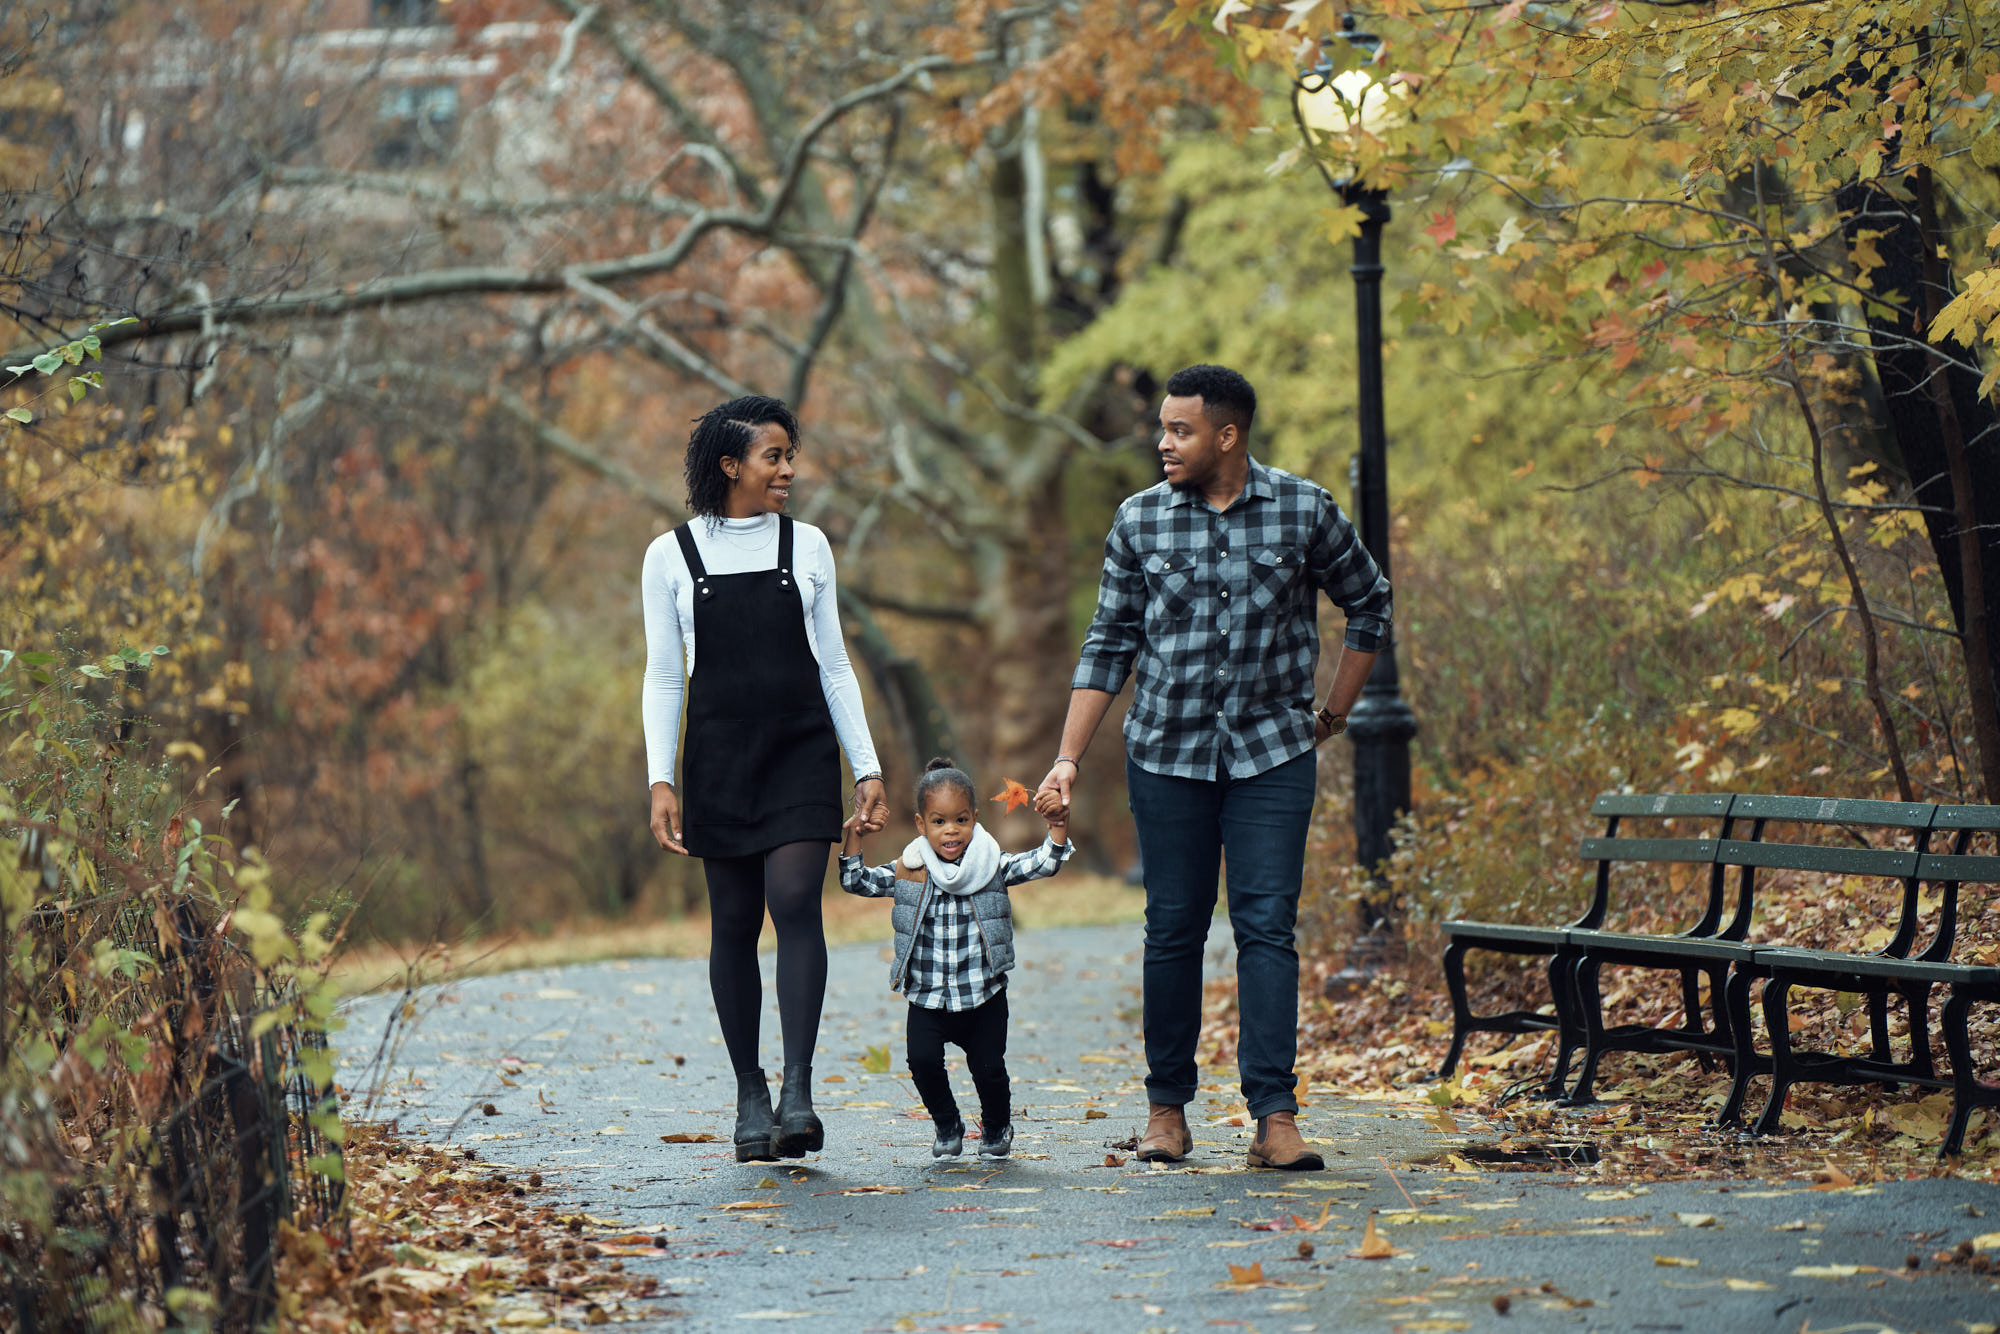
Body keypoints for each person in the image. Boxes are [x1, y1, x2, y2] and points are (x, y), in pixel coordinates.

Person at [1034, 364, 1392, 1172]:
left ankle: (1274, 1117)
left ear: (1227, 436)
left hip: (1273, 752)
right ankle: (1167, 1111)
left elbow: (1369, 600)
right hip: (1166, 753)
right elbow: (1109, 643)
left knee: (1267, 929)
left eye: (1180, 430)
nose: (1163, 443)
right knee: (1174, 930)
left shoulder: (1302, 508)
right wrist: (1066, 758)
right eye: (1162, 428)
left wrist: (1331, 714)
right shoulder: (1138, 521)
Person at [641, 394, 891, 1163]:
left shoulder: (807, 545)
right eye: (773, 457)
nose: (788, 470)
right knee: (733, 922)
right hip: (718, 756)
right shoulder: (671, 555)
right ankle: (750, 1092)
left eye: (789, 456)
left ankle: (798, 1091)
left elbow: (836, 662)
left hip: (800, 749)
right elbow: (663, 674)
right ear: (731, 465)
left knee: (794, 902)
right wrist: (660, 778)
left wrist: (867, 765)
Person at [838, 757, 1072, 1160]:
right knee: (923, 1062)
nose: (951, 831)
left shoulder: (990, 864)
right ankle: (947, 1123)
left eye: (961, 820)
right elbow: (856, 880)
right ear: (920, 824)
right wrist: (855, 837)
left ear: (975, 819)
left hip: (982, 992)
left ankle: (997, 1126)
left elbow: (1043, 863)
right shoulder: (910, 868)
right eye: (939, 821)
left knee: (988, 1069)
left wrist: (1057, 826)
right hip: (928, 996)